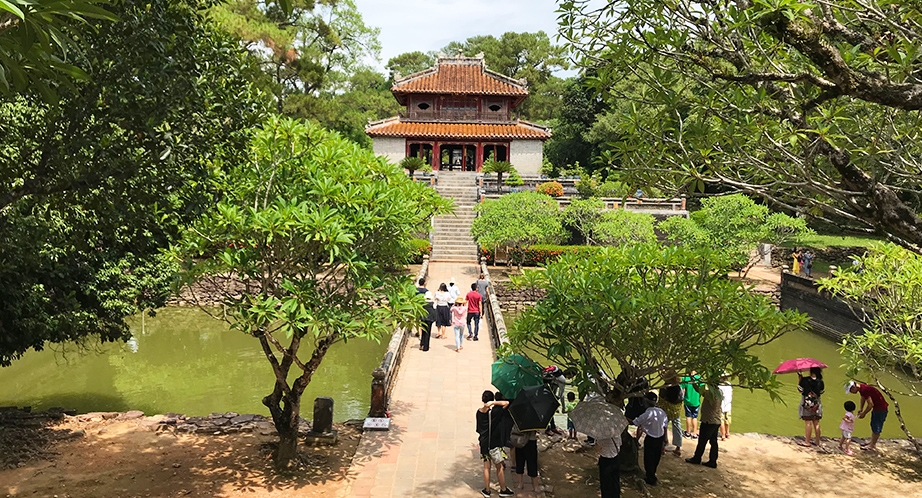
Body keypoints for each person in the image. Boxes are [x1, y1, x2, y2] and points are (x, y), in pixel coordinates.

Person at [476, 390, 515, 497]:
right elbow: (506, 403)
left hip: (483, 443)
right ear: (492, 399)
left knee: (486, 467)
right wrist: (493, 403)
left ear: (482, 399)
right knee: (499, 467)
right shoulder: (495, 412)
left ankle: (487, 490)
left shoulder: (479, 412)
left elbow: (478, 429)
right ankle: (503, 489)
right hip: (493, 443)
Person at [633, 392, 668, 486]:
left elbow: (636, 422)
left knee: (648, 458)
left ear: (646, 401)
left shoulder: (647, 413)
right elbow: (665, 426)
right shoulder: (661, 412)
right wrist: (666, 439)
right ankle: (652, 474)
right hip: (660, 438)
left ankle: (650, 477)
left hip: (651, 439)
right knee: (656, 458)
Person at [686, 383, 721, 468]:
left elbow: (699, 390)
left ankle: (697, 458)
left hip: (708, 421)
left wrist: (693, 381)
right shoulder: (719, 392)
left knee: (702, 441)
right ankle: (713, 461)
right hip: (716, 420)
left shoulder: (711, 393)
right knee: (713, 442)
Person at [847, 381, 889, 451]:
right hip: (878, 408)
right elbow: (863, 397)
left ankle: (872, 445)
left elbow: (870, 404)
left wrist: (864, 413)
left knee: (876, 426)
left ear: (854, 387)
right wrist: (861, 408)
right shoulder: (862, 388)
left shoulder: (864, 389)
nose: (851, 392)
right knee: (873, 424)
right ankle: (872, 442)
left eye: (850, 390)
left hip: (880, 409)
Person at [797, 367, 825, 447]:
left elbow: (800, 390)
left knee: (808, 422)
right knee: (816, 422)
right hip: (816, 404)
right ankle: (818, 441)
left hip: (807, 403)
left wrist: (800, 378)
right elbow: (821, 392)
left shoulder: (805, 380)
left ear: (811, 371)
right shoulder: (820, 381)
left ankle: (807, 441)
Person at [658, 371, 684, 457]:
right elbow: (681, 399)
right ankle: (678, 447)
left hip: (665, 410)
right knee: (677, 426)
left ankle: (662, 446)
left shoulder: (664, 387)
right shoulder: (679, 388)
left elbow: (661, 398)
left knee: (663, 427)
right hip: (676, 411)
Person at [514, 426, 540, 492]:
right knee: (529, 462)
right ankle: (534, 486)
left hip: (524, 439)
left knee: (523, 461)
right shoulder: (532, 417)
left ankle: (521, 484)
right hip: (525, 439)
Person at [597, 432, 622, 498]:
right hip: (615, 459)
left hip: (605, 460)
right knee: (615, 481)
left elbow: (598, 446)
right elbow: (620, 444)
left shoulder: (601, 434)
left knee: (605, 483)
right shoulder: (617, 433)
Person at [680, 371, 701, 439]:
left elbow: (683, 390)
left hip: (688, 401)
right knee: (695, 417)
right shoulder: (699, 379)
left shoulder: (685, 378)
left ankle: (688, 433)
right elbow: (701, 390)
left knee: (688, 416)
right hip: (696, 401)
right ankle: (694, 434)